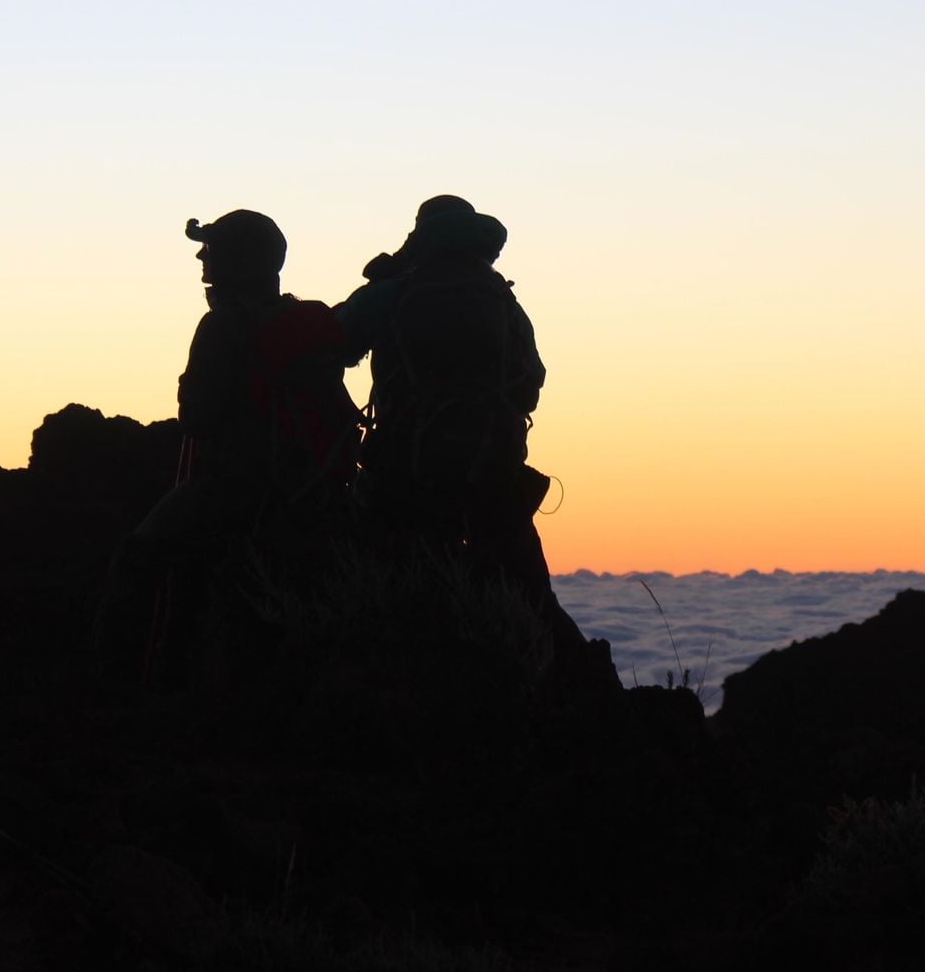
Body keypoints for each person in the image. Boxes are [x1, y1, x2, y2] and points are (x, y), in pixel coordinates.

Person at [99, 209, 359, 682]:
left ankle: (118, 687)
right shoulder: (307, 323)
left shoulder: (222, 327)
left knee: (137, 559)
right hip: (308, 486)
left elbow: (197, 414)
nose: (202, 256)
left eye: (212, 249)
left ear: (239, 261)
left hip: (233, 485)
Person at [336, 196, 585, 661]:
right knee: (529, 592)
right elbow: (529, 385)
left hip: (401, 474)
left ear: (421, 235)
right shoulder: (500, 298)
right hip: (492, 470)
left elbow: (334, 343)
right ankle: (575, 682)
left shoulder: (394, 292)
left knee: (378, 591)